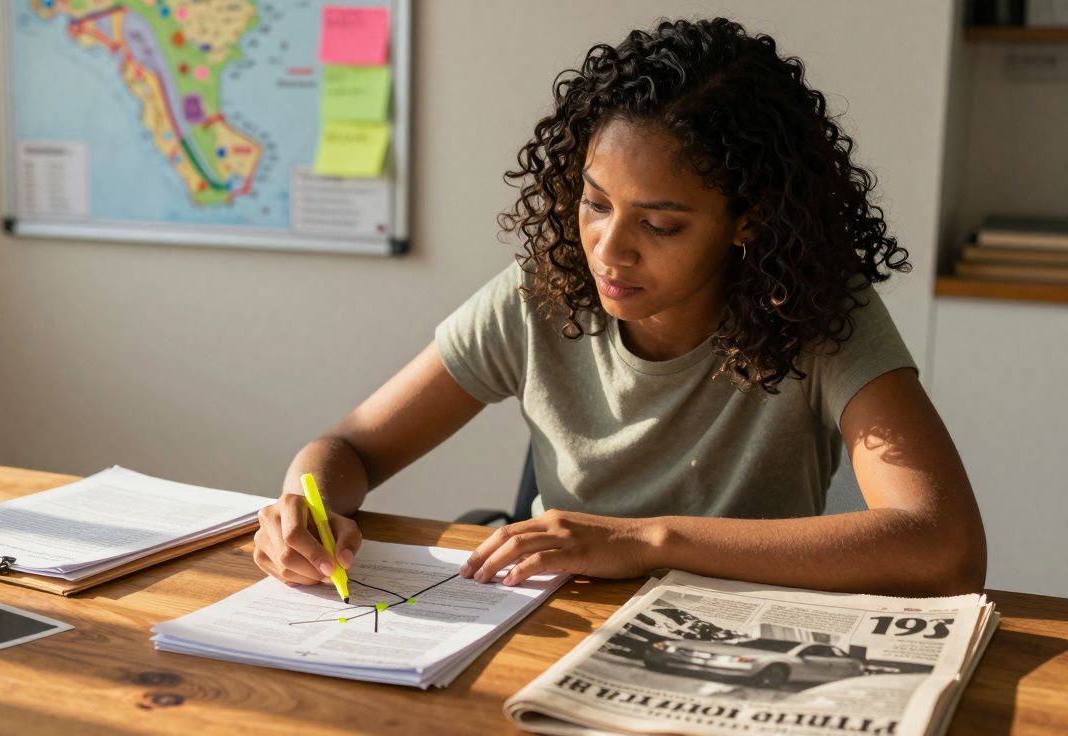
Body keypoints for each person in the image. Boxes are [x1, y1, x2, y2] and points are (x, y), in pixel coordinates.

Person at [253, 17, 986, 597]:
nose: (610, 249)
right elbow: (349, 449)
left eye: (660, 225)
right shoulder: (539, 295)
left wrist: (641, 542)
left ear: (748, 220)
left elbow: (943, 545)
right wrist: (306, 508)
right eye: (595, 205)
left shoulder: (817, 312)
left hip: (733, 643)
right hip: (550, 626)